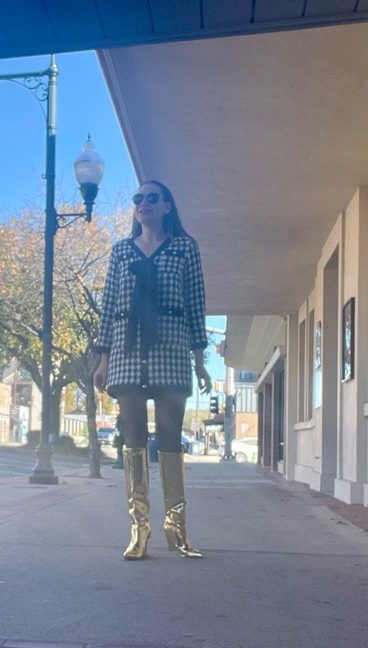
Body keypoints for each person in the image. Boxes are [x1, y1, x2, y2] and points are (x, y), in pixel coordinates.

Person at [93, 180, 212, 560]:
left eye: (152, 198)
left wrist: (199, 361)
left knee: (170, 438)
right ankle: (138, 530)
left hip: (172, 349)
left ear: (167, 206)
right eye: (138, 199)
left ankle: (177, 530)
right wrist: (103, 358)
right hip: (126, 351)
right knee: (133, 439)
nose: (143, 203)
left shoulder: (184, 248)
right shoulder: (120, 251)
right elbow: (109, 306)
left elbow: (196, 304)